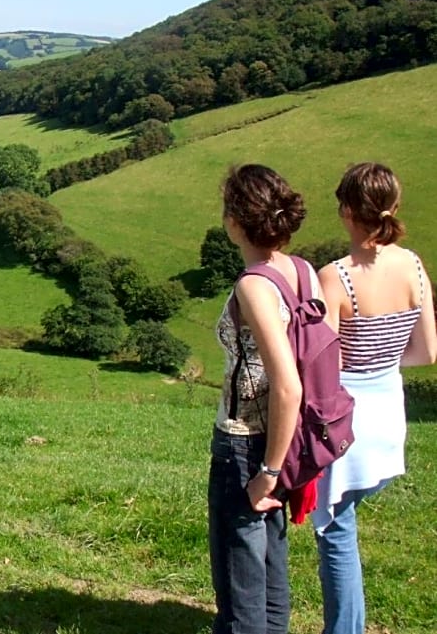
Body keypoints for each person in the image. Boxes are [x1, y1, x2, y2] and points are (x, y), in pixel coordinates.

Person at [312, 162, 437, 634]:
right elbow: (426, 352)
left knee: (335, 532)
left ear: (346, 211)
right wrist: (381, 361)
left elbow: (323, 366)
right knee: (343, 526)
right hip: (390, 414)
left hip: (348, 422)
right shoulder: (414, 265)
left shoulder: (335, 277)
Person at [209, 163, 316, 634]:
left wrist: (267, 473)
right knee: (271, 571)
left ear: (236, 221)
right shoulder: (302, 271)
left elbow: (288, 382)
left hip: (246, 443)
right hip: (287, 436)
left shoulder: (253, 285)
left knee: (240, 583)